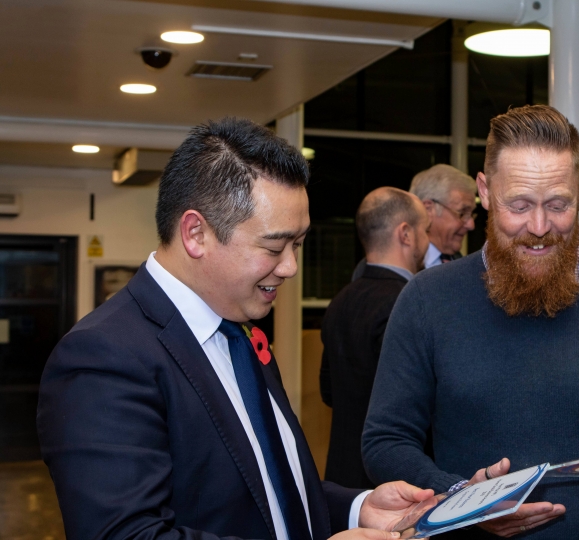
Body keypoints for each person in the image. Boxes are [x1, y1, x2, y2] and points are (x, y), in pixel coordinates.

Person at [37, 118, 434, 540]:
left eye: (296, 245)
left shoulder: (238, 330)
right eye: (273, 247)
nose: (290, 267)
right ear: (196, 234)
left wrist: (356, 509)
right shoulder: (103, 356)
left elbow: (263, 489)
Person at [362, 105, 579, 539]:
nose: (538, 227)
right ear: (485, 191)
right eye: (519, 205)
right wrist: (461, 498)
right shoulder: (427, 298)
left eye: (558, 204)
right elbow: (385, 440)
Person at [321, 187, 430, 489]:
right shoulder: (408, 304)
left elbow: (328, 392)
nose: (428, 240)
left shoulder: (340, 300)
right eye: (426, 230)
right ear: (406, 234)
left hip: (341, 478)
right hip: (390, 483)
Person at [410, 164, 477, 268]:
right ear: (428, 210)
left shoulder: (466, 267)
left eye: (471, 214)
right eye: (462, 213)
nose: (471, 225)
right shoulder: (406, 267)